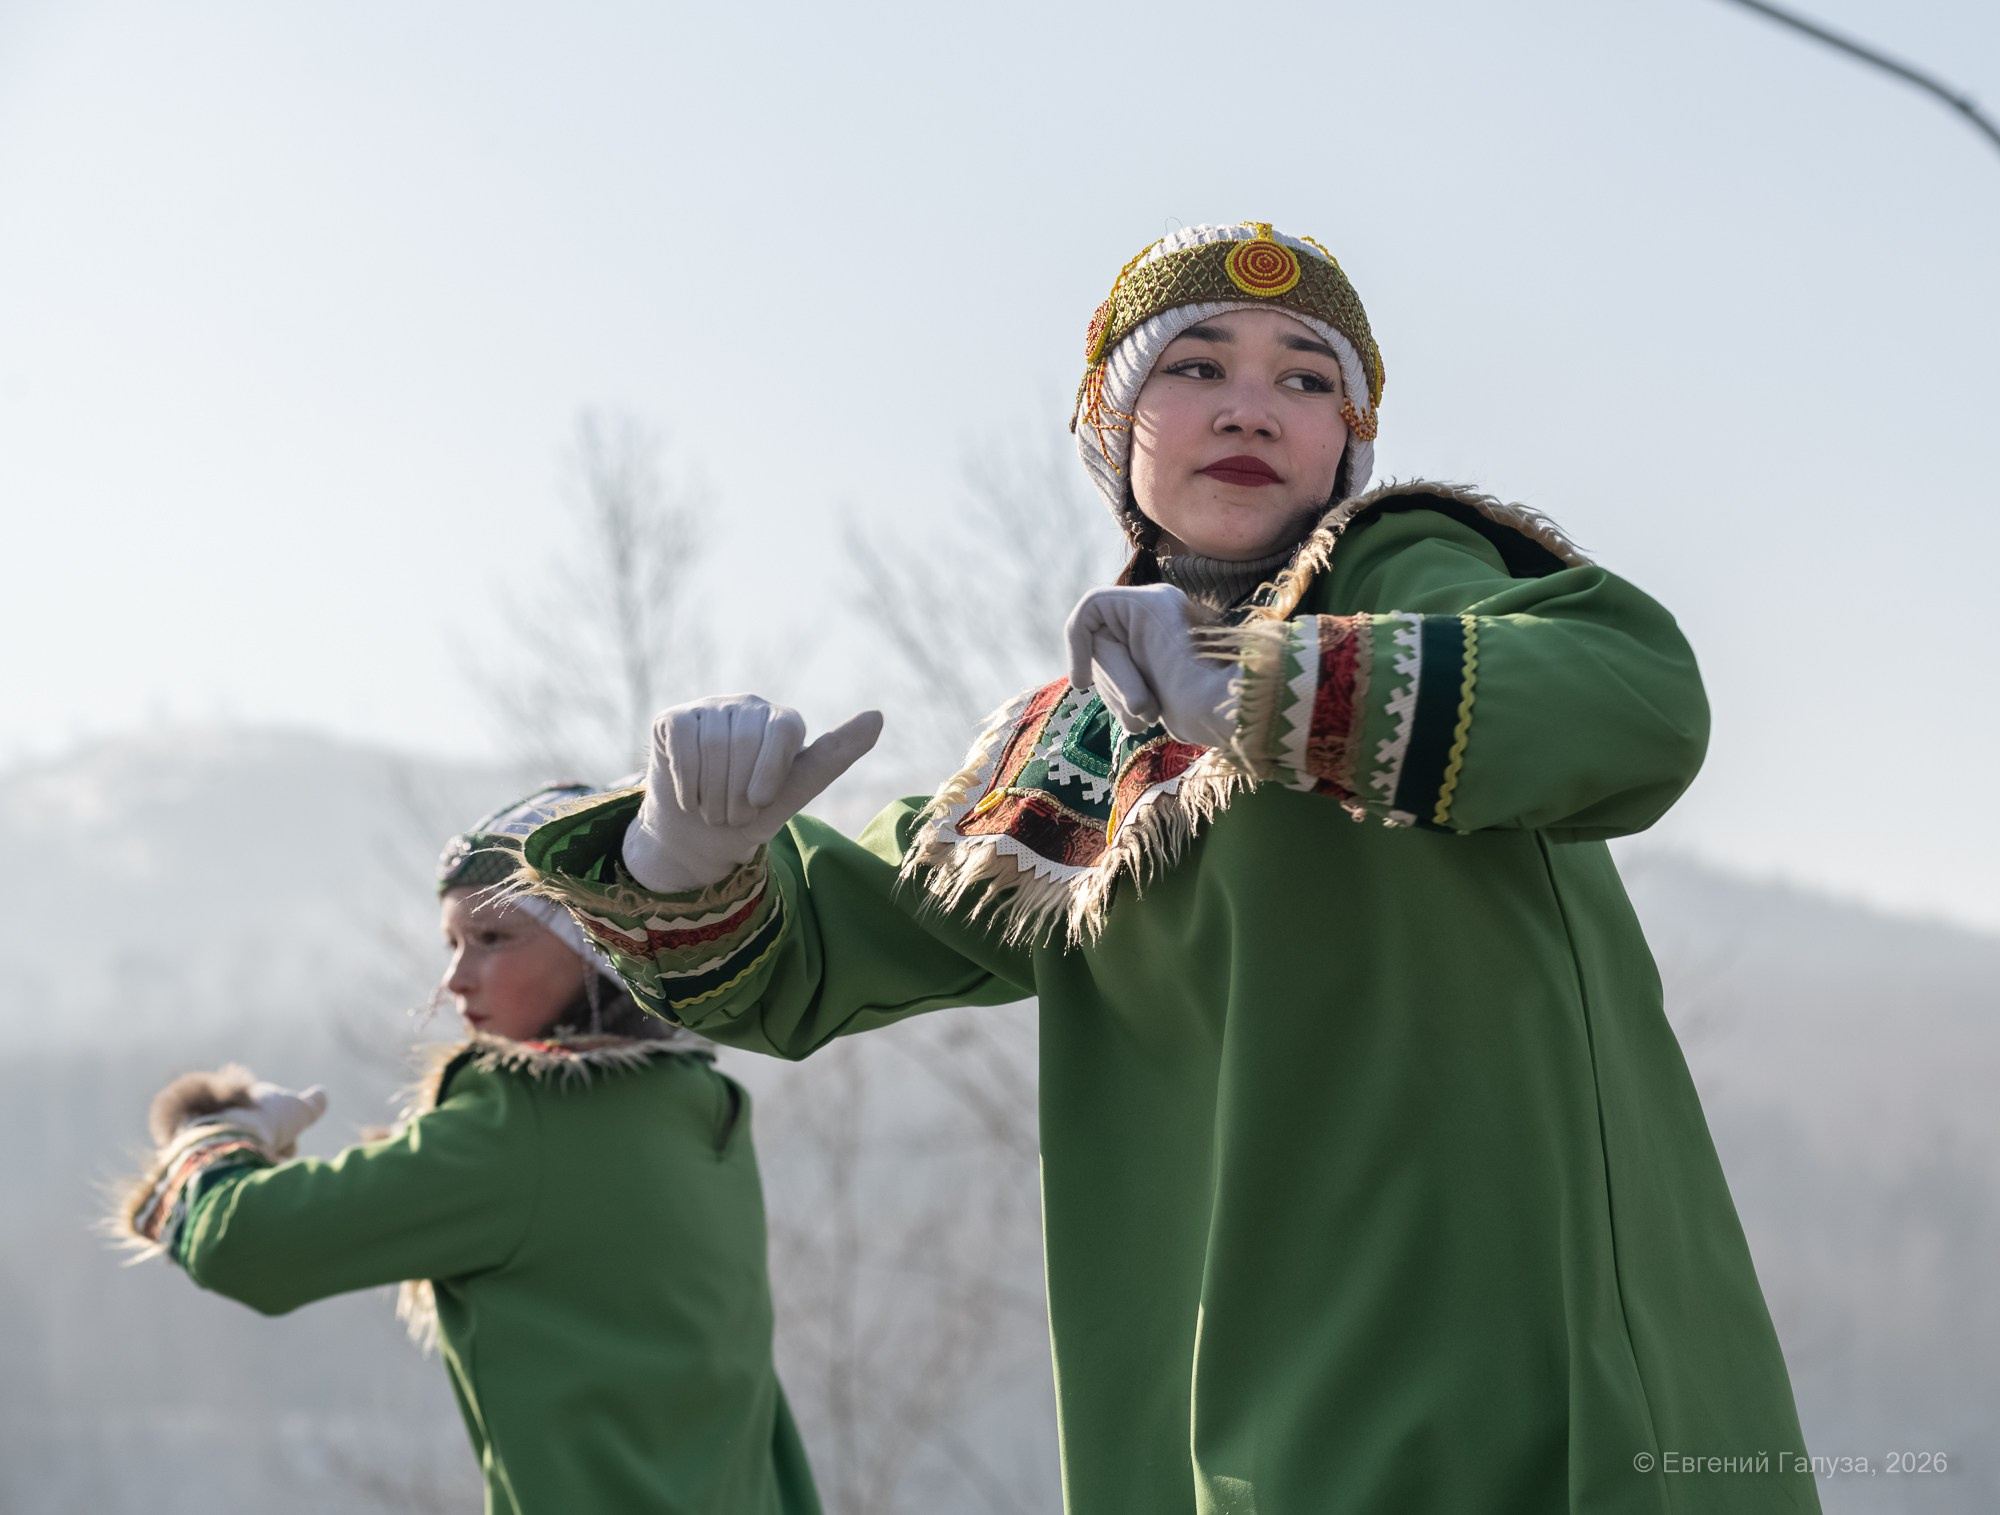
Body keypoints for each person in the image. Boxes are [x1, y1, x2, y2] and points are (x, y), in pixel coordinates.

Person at [516, 223, 1821, 1512]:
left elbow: (1634, 697)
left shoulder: (1408, 572)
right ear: (1114, 428)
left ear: (1345, 446)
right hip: (1242, 1442)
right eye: (1196, 365)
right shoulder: (1078, 752)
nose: (1254, 405)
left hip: (1521, 1391)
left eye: (1308, 379)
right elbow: (808, 957)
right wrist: (680, 853)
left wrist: (1276, 684)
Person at [115, 785, 822, 1515]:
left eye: (493, 939)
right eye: (452, 943)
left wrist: (219, 1132)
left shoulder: (524, 1122)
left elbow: (246, 1242)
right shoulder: (704, 1105)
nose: (454, 979)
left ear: (597, 942)